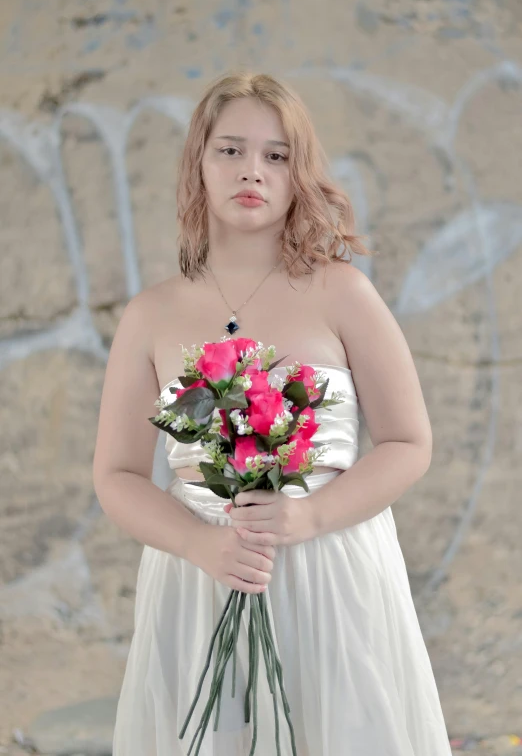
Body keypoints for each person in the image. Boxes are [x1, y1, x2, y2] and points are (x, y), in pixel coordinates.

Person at [93, 71, 452, 755]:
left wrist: (308, 515)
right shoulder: (151, 314)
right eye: (229, 150)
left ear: (298, 174)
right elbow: (115, 474)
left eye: (276, 154)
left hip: (332, 574)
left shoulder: (343, 293)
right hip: (202, 583)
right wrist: (203, 545)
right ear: (198, 164)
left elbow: (409, 441)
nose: (250, 170)